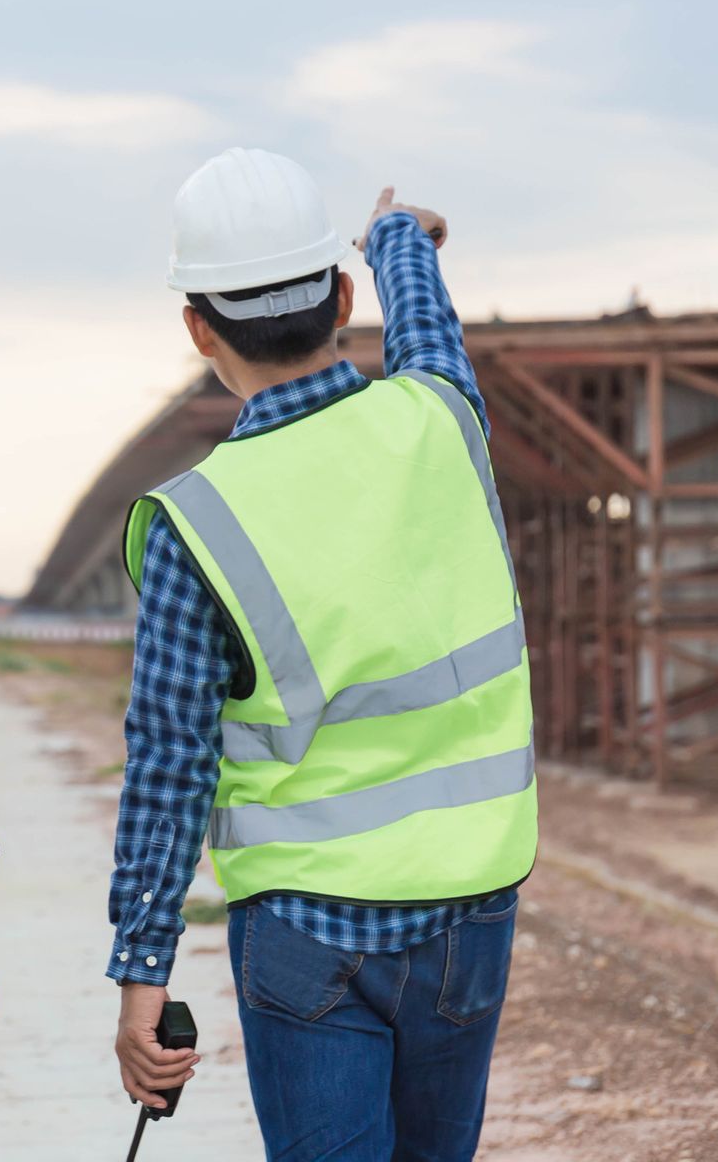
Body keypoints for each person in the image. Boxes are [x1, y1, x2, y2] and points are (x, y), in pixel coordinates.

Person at [107, 149, 538, 1161]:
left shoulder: (193, 519)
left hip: (306, 931)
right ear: (343, 297)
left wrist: (142, 972)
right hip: (468, 908)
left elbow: (170, 763)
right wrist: (398, 238)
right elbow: (429, 328)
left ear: (197, 329)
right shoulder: (439, 418)